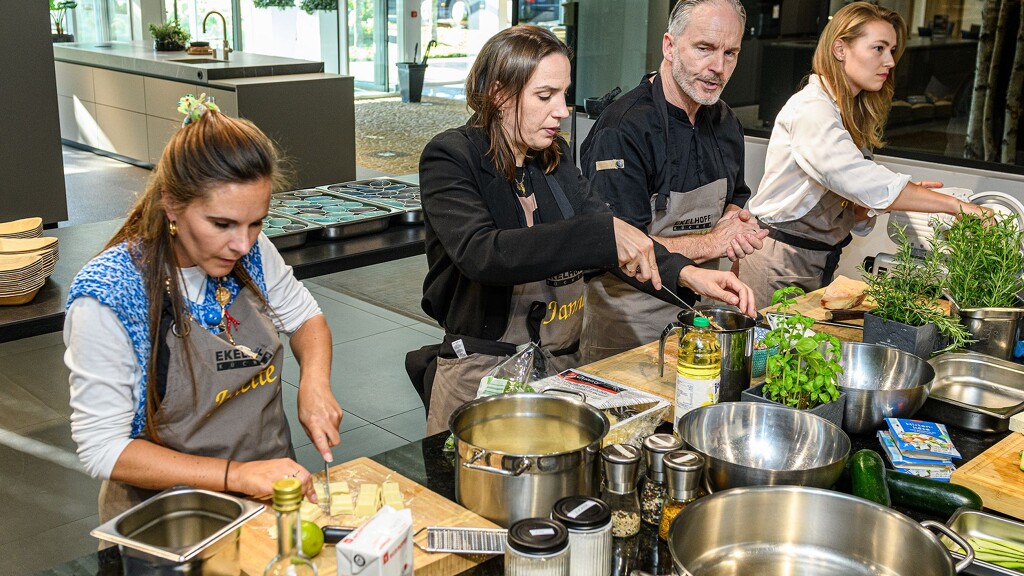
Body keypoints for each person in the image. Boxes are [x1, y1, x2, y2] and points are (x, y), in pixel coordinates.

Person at [418, 25, 755, 435]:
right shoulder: (451, 156)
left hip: (559, 371)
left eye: (563, 94)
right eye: (545, 96)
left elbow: (619, 242)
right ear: (499, 94)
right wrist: (602, 235)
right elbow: (483, 253)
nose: (561, 110)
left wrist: (688, 273)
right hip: (480, 374)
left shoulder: (552, 160)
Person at [65, 95, 343, 521]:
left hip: (268, 496)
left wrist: (315, 384)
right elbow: (104, 449)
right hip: (169, 520)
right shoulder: (110, 292)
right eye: (222, 224)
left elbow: (306, 318)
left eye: (257, 222)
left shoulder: (251, 252)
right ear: (171, 204)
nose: (243, 243)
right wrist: (236, 475)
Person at [740, 2, 987, 306]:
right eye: (878, 48)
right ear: (840, 49)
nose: (890, 61)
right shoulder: (812, 111)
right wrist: (957, 207)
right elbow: (860, 180)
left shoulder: (848, 115)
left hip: (816, 262)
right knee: (766, 352)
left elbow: (855, 203)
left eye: (892, 50)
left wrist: (892, 200)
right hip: (778, 263)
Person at [578, 0, 765, 363]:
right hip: (631, 321)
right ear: (669, 45)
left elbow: (737, 194)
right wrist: (713, 242)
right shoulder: (623, 129)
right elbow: (618, 246)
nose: (718, 68)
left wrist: (734, 222)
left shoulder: (725, 121)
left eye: (731, 53)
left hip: (701, 317)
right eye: (705, 49)